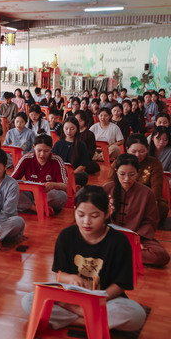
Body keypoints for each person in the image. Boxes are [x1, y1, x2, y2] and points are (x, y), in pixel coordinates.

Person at [21, 185, 146, 332]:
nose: (86, 222)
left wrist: (99, 300)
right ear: (74, 210)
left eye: (94, 216)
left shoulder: (119, 241)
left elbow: (121, 284)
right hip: (71, 300)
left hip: (105, 300)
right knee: (29, 301)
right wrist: (71, 278)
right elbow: (60, 275)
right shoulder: (66, 236)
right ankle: (90, 321)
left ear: (107, 213)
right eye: (80, 215)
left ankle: (76, 319)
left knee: (136, 314)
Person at [104, 154, 170, 266]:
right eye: (122, 174)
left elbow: (151, 221)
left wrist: (136, 240)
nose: (127, 179)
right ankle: (125, 253)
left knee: (160, 256)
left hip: (136, 237)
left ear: (138, 173)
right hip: (109, 235)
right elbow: (98, 217)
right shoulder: (106, 188)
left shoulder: (147, 193)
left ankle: (116, 252)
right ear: (116, 172)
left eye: (131, 174)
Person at [113, 133, 169, 223]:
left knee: (162, 207)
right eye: (134, 151)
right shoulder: (119, 162)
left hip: (144, 201)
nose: (137, 155)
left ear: (147, 149)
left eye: (142, 151)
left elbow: (156, 188)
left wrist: (143, 204)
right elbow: (110, 184)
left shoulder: (154, 163)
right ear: (127, 149)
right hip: (121, 199)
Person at [12, 134, 68, 214]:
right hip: (30, 194)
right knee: (10, 192)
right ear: (34, 147)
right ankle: (36, 208)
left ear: (51, 149)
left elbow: (65, 186)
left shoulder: (57, 160)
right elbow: (11, 181)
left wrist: (53, 185)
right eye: (39, 150)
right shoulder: (26, 159)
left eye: (46, 151)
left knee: (62, 196)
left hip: (48, 195)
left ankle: (31, 205)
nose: (42, 154)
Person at [52, 117, 90, 187]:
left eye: (72, 129)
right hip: (59, 173)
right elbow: (52, 161)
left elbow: (83, 165)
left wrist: (71, 174)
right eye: (66, 128)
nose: (69, 131)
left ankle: (65, 184)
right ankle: (68, 185)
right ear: (63, 129)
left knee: (83, 176)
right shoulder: (58, 144)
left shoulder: (81, 145)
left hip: (73, 174)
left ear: (77, 129)